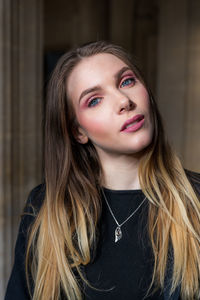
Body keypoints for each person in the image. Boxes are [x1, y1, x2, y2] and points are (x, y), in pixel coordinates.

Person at [5, 41, 200, 300]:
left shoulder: (195, 201)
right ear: (78, 131)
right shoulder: (44, 210)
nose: (123, 101)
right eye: (94, 100)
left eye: (127, 82)